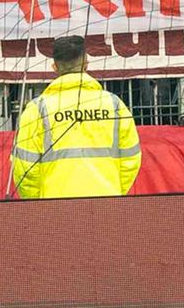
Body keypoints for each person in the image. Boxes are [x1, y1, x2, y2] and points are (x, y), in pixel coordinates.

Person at [8, 35, 141, 199]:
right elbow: (131, 160)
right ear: (86, 63)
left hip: (54, 208)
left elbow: (24, 169)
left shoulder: (37, 109)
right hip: (107, 203)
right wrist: (113, 191)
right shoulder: (114, 105)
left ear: (54, 67)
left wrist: (38, 204)